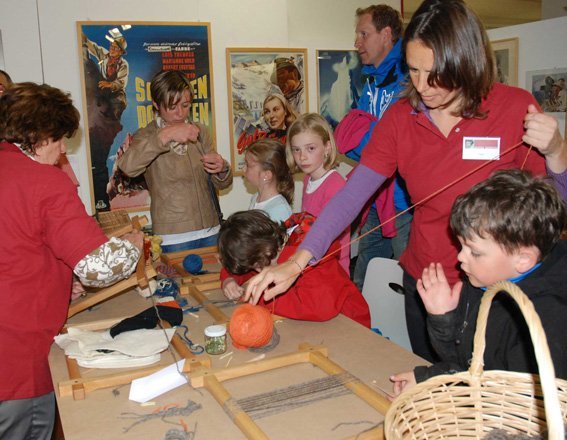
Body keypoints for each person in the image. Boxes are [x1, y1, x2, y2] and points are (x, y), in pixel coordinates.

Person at [244, 0, 567, 363]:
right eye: (413, 70)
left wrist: (557, 152)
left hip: (498, 291)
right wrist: (297, 262)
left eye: (435, 73)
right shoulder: (401, 117)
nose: (423, 86)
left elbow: (553, 211)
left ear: (467, 62)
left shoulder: (514, 107)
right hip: (426, 285)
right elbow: (351, 197)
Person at [0, 82, 142, 439]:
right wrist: (133, 246)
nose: (63, 150)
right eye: (59, 138)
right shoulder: (44, 183)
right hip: (16, 359)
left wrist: (61, 278)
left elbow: (19, 243)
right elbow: (100, 265)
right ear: (38, 134)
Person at [391, 169, 567, 396]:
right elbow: (467, 362)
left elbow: (510, 401)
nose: (460, 257)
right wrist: (444, 318)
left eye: (474, 252)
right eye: (461, 246)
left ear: (523, 259)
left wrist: (435, 383)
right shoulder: (483, 278)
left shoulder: (548, 322)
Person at [334, 4, 412, 290]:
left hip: (406, 202)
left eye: (363, 34)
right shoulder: (372, 79)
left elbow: (393, 144)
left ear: (386, 34)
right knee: (367, 275)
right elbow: (349, 140)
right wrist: (371, 141)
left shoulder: (410, 77)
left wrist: (369, 140)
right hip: (376, 192)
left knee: (411, 281)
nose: (357, 43)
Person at [118, 70, 233, 253]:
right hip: (173, 236)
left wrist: (222, 168)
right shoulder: (147, 135)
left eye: (186, 105)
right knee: (177, 282)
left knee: (217, 281)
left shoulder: (200, 131)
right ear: (156, 104)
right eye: (172, 107)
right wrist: (166, 135)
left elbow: (222, 182)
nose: (180, 113)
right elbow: (127, 167)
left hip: (211, 229)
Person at [219, 210, 370, 327]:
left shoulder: (310, 258)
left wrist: (260, 298)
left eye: (257, 265)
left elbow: (317, 308)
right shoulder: (269, 250)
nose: (257, 271)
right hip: (323, 327)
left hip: (351, 324)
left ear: (264, 250)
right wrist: (229, 280)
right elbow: (246, 269)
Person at [286, 113, 350, 275]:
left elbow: (332, 238)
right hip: (310, 263)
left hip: (332, 270)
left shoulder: (335, 185)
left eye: (311, 148)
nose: (302, 157)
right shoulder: (308, 179)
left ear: (327, 147)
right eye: (296, 150)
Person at [244, 138, 294, 222]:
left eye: (248, 165)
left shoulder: (280, 209)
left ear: (266, 175)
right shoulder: (256, 197)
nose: (243, 168)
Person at [83, 34, 129, 120]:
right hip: (103, 92)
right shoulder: (104, 55)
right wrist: (84, 39)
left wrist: (110, 85)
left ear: (121, 52)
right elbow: (94, 47)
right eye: (112, 46)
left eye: (116, 48)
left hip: (116, 94)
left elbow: (121, 82)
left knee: (117, 105)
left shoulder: (123, 64)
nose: (112, 49)